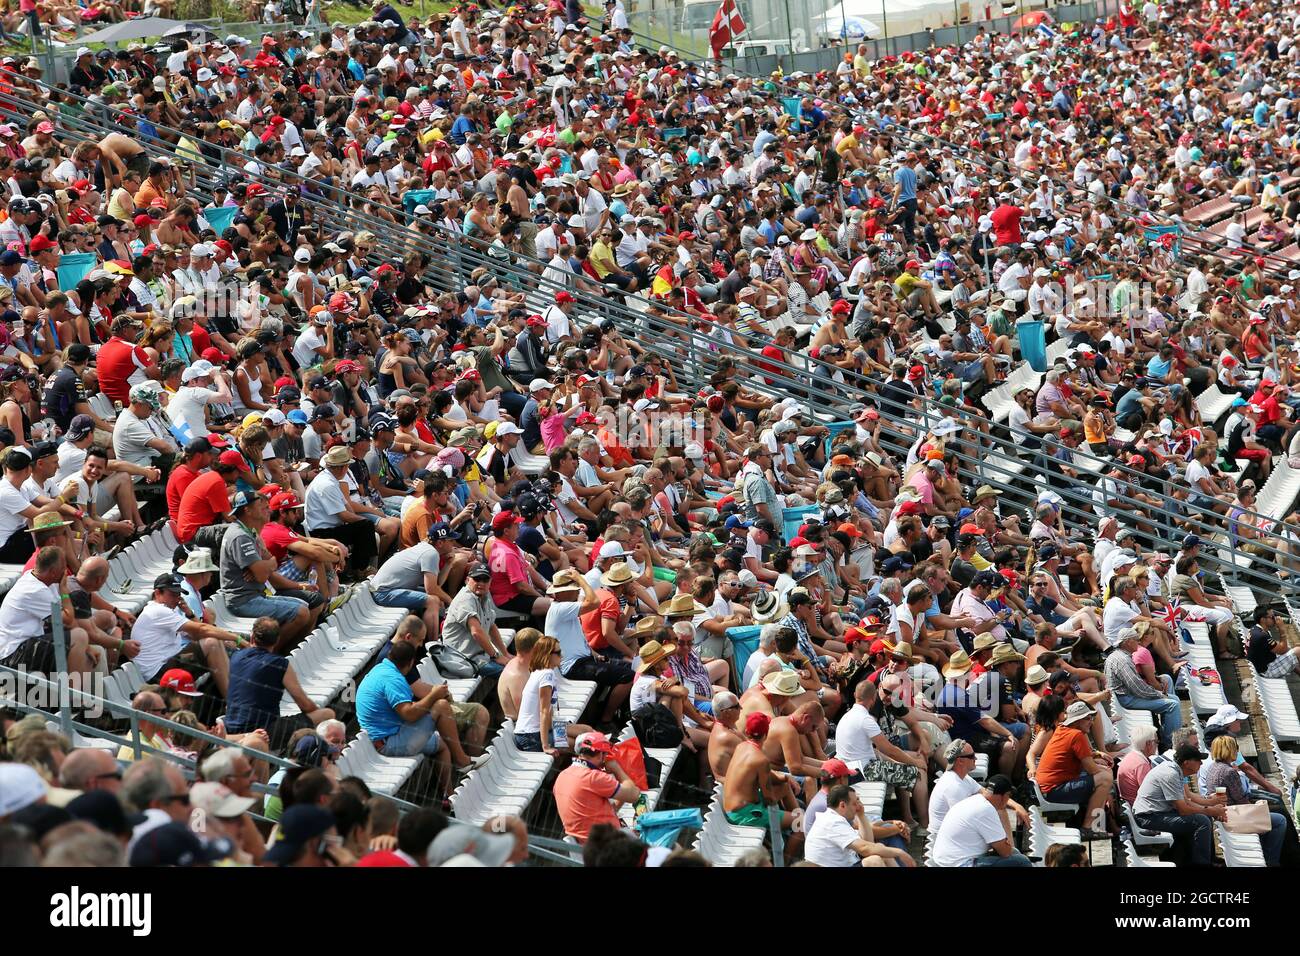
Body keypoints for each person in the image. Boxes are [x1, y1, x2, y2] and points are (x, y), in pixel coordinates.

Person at [223, 616, 335, 749]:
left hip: (231, 728)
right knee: (327, 715)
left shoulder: (236, 657)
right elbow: (304, 704)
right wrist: (314, 715)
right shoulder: (279, 664)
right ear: (277, 640)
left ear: (252, 637)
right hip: (264, 732)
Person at [354, 641, 452, 790]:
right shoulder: (393, 679)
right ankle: (461, 764)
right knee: (441, 707)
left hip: (384, 736)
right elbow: (409, 714)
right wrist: (434, 695)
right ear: (411, 662)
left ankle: (449, 796)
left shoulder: (381, 669)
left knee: (442, 741)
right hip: (389, 743)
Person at [1133, 743, 1227, 867]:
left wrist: (1209, 808)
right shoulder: (1171, 774)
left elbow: (1186, 801)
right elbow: (1183, 809)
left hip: (1156, 813)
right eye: (1198, 760)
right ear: (1186, 763)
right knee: (1202, 821)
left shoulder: (1176, 771)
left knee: (1204, 817)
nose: (1201, 763)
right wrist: (1211, 810)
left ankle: (1209, 858)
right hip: (1148, 817)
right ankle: (1201, 864)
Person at [1203, 734, 1288, 867]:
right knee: (1280, 820)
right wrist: (1258, 811)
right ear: (1230, 750)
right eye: (1236, 747)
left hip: (1225, 814)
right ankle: (1272, 861)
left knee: (1271, 812)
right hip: (1234, 816)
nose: (1237, 750)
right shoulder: (1229, 772)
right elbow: (1242, 800)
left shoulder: (1213, 768)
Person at [1033, 700, 1114, 833]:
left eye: (1092, 718)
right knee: (1105, 778)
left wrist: (1097, 756)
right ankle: (1089, 827)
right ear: (1078, 721)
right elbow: (1091, 769)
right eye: (1088, 718)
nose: (1092, 722)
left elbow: (1080, 755)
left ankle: (1100, 825)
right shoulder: (1076, 735)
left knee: (1105, 775)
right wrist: (1103, 767)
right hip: (1053, 791)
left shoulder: (1063, 729)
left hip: (1048, 788)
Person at [552, 731, 641, 843]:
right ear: (600, 755)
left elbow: (609, 809)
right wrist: (616, 769)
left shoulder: (562, 776)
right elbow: (634, 794)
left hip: (586, 846)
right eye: (605, 754)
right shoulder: (593, 777)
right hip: (608, 846)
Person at [513, 636, 592, 756]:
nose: (562, 655)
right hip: (530, 737)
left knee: (587, 731)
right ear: (548, 655)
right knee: (584, 746)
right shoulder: (546, 675)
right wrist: (545, 747)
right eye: (558, 652)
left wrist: (564, 726)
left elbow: (548, 714)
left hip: (537, 731)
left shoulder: (540, 672)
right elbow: (544, 711)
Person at [929, 774, 1032, 867]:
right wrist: (1005, 844)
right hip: (958, 863)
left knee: (1014, 853)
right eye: (1009, 796)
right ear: (1004, 796)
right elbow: (1005, 852)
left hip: (946, 859)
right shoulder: (986, 810)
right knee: (1022, 862)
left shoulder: (975, 800)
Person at [803, 784, 915, 867]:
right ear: (842, 805)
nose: (858, 806)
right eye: (854, 803)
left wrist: (861, 815)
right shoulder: (832, 822)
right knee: (874, 861)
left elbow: (868, 842)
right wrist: (900, 853)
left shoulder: (835, 817)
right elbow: (865, 848)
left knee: (880, 849)